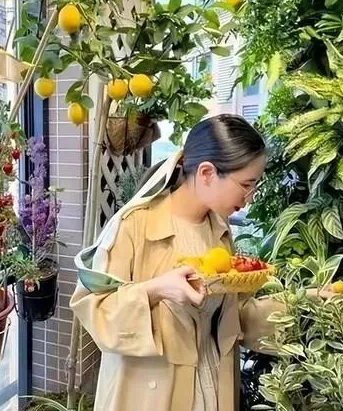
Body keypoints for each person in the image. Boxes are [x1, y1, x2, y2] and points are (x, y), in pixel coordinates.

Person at [70, 114, 282, 411]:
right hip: (151, 397)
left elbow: (235, 315)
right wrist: (155, 290)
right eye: (247, 184)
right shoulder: (135, 225)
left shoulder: (219, 231)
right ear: (207, 173)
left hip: (212, 388)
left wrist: (305, 304)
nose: (251, 197)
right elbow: (94, 309)